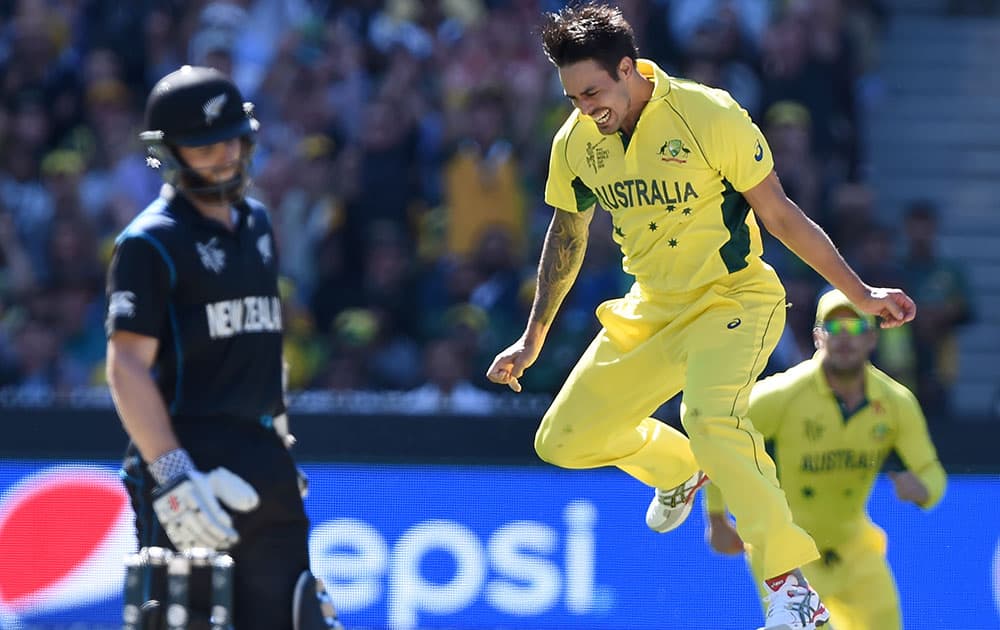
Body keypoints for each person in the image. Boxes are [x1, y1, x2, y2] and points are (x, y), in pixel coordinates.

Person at [484, 5, 915, 629]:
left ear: (628, 68)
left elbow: (782, 215)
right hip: (651, 307)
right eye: (572, 96)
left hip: (733, 299)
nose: (584, 107)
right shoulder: (575, 142)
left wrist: (862, 292)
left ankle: (790, 589)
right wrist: (533, 337)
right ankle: (679, 470)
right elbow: (567, 234)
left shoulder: (707, 113)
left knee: (710, 416)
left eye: (592, 91)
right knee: (562, 440)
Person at [105, 66, 342, 630]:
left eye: (232, 137)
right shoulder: (149, 241)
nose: (223, 154)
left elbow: (260, 340)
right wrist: (174, 474)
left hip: (262, 456)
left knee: (297, 615)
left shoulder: (258, 222)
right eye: (203, 144)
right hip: (188, 463)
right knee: (184, 618)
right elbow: (126, 366)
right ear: (169, 152)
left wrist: (279, 435)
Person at [705, 289, 947, 629]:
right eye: (834, 330)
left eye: (855, 330)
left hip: (853, 547)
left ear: (871, 338)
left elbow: (931, 471)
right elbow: (722, 439)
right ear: (818, 336)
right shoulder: (785, 394)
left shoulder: (894, 402)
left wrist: (924, 489)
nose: (844, 340)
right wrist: (716, 517)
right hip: (788, 550)